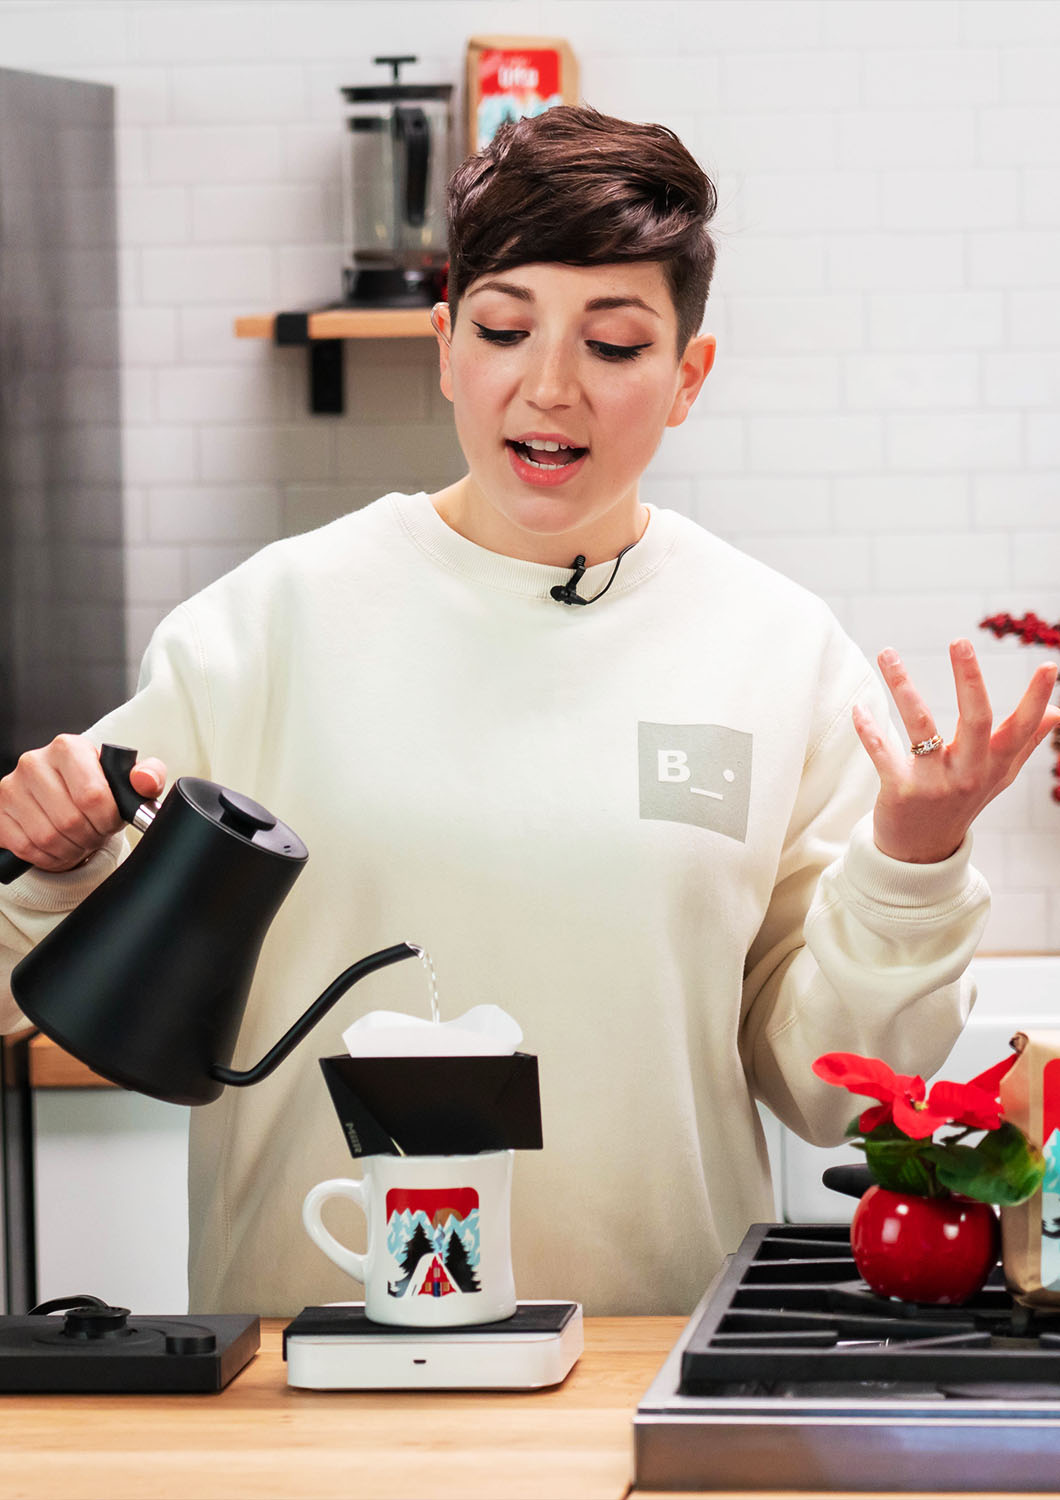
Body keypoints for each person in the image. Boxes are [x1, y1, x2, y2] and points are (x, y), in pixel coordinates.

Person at [1, 107, 1057, 1318]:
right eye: (505, 330)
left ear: (687, 377)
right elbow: (33, 975)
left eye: (613, 345)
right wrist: (47, 861)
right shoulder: (259, 629)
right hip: (311, 1367)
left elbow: (827, 1091)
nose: (549, 387)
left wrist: (913, 866)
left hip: (644, 1365)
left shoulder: (776, 651)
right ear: (446, 348)